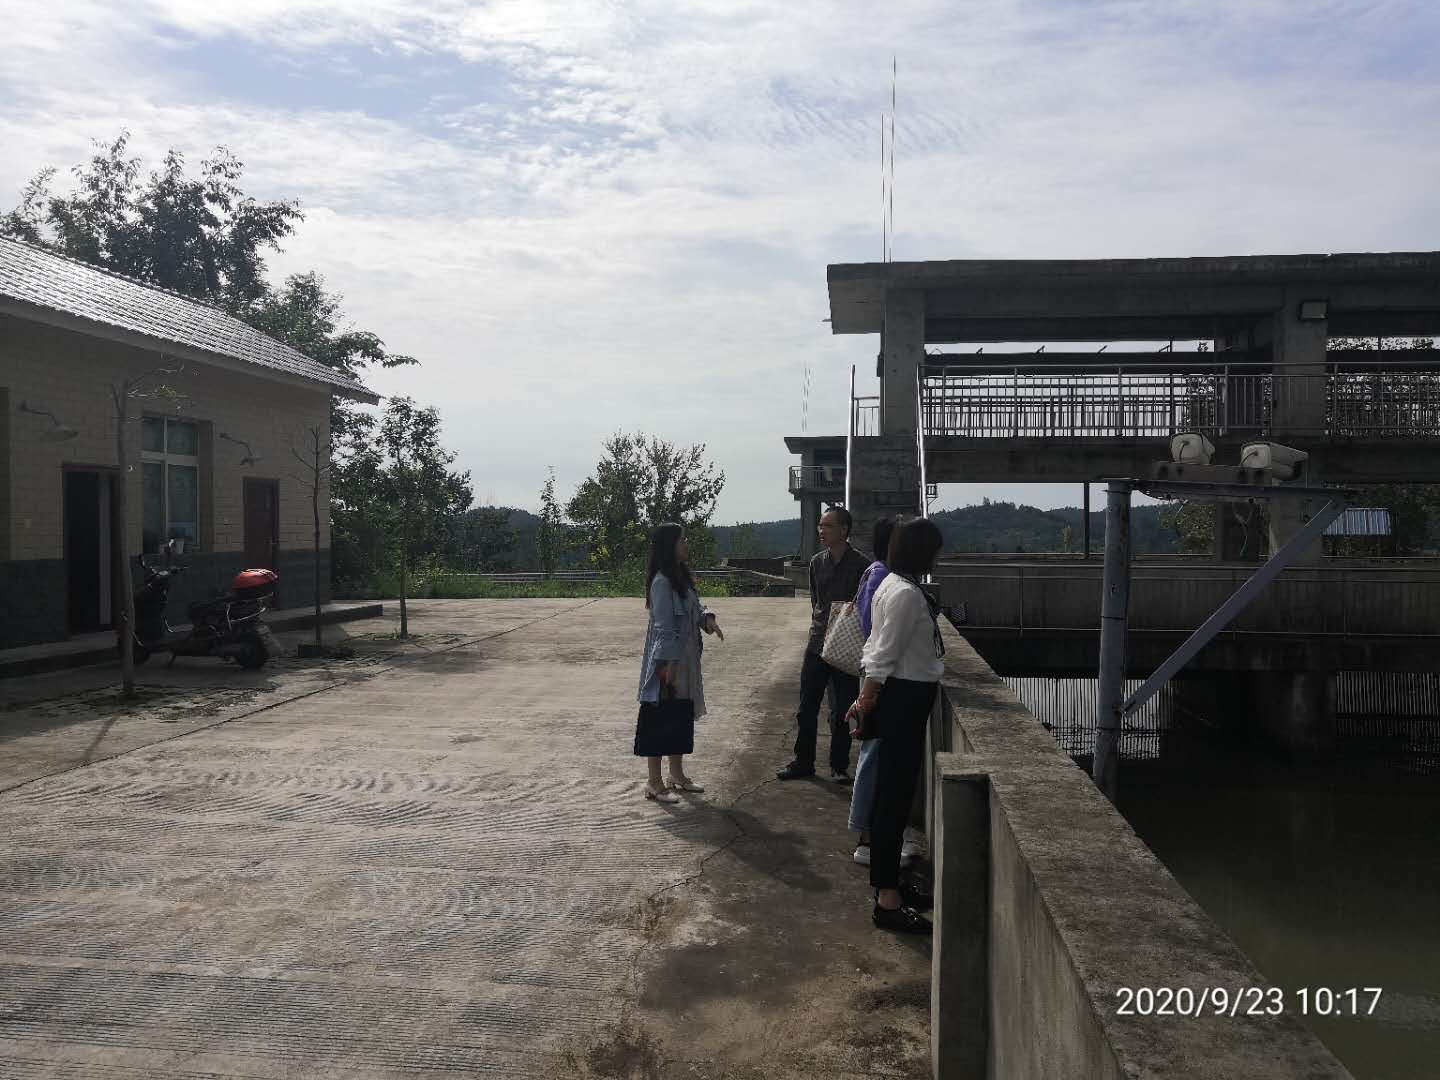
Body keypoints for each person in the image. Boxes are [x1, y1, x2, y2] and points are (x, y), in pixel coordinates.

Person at [846, 516, 945, 934]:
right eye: (934, 550)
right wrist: (866, 700)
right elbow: (882, 653)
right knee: (893, 799)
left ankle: (893, 888)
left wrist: (866, 698)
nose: (938, 557)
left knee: (895, 797)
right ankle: (887, 899)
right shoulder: (903, 593)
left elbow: (875, 646)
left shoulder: (893, 584)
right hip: (903, 699)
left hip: (903, 697)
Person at [776, 506, 869, 782]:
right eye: (820, 525)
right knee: (807, 707)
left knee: (841, 710)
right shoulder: (817, 562)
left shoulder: (862, 566)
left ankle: (839, 766)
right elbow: (816, 602)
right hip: (817, 644)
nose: (821, 531)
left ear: (844, 530)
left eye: (827, 526)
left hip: (845, 646)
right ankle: (803, 762)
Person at [635, 522, 723, 803]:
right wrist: (668, 664)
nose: (686, 544)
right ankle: (654, 783)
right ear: (669, 546)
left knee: (679, 715)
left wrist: (707, 619)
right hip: (666, 661)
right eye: (682, 540)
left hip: (684, 662)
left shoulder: (681, 578)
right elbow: (663, 627)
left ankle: (677, 775)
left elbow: (695, 608)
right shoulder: (662, 582)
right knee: (659, 718)